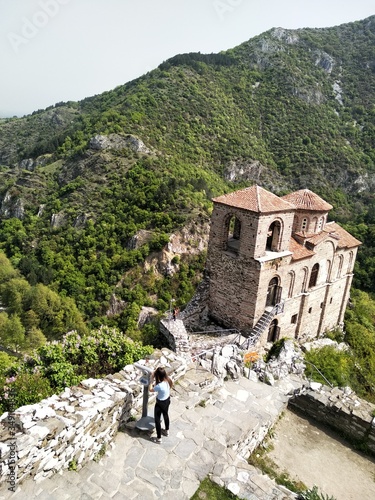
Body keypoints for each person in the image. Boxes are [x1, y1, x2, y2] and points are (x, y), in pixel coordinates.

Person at [150, 367, 173, 444]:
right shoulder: (168, 380)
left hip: (160, 403)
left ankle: (159, 438)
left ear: (158, 376)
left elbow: (150, 389)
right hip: (167, 400)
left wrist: (151, 379)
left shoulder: (159, 386)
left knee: (157, 420)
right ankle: (167, 431)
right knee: (166, 415)